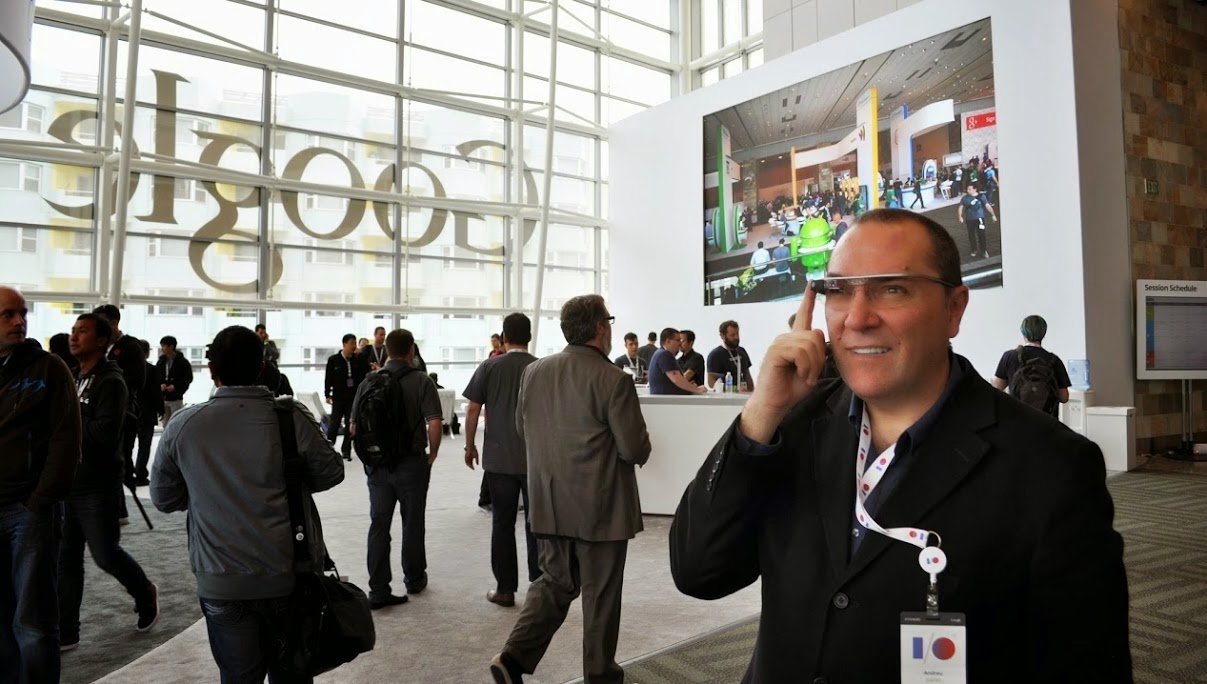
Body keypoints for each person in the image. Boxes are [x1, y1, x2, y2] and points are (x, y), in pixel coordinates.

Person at [669, 209, 1131, 682]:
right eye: (840, 290)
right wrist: (760, 414)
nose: (857, 318)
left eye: (892, 289)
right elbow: (699, 571)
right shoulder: (794, 427)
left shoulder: (1051, 466)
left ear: (954, 309)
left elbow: (1087, 666)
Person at [151, 325, 345, 682]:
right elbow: (332, 473)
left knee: (239, 676)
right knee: (293, 673)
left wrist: (204, 489)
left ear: (212, 370)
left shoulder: (184, 425)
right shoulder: (290, 417)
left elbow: (163, 498)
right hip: (288, 572)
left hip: (222, 579)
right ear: (262, 367)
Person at [489, 295, 651, 684]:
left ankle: (512, 658)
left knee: (554, 583)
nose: (611, 329)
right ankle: (599, 674)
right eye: (608, 322)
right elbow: (633, 448)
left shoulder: (535, 372)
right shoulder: (614, 380)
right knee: (601, 593)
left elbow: (521, 429)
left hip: (548, 501)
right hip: (602, 507)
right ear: (599, 328)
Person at [60, 313, 160, 651]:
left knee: (105, 554)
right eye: (73, 331)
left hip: (97, 484)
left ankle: (144, 591)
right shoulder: (74, 377)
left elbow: (105, 434)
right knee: (66, 556)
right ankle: (67, 629)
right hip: (69, 481)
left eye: (83, 331)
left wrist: (67, 425)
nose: (74, 337)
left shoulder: (110, 382)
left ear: (102, 340)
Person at [0, 287, 80, 681]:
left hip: (27, 511)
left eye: (22, 313)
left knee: (32, 622)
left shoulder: (48, 368)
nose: (18, 321)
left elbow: (67, 438)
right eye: (7, 315)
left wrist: (41, 500)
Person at [350, 329, 443, 607]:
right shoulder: (421, 380)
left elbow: (353, 426)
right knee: (412, 521)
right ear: (411, 350)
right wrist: (433, 453)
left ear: (387, 351)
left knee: (379, 524)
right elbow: (435, 422)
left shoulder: (369, 381)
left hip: (378, 466)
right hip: (411, 463)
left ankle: (378, 589)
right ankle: (414, 579)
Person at [462, 313, 542, 609]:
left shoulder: (490, 366)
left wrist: (469, 446)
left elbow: (472, 410)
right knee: (538, 523)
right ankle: (539, 588)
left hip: (498, 460)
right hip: (535, 460)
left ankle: (505, 590)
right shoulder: (540, 367)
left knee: (502, 523)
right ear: (529, 337)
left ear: (504, 337)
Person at [992, 315, 1072, 418]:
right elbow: (1064, 397)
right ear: (1043, 333)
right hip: (1047, 422)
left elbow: (997, 389)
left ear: (1023, 332)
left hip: (1018, 419)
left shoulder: (1009, 356)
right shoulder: (1054, 360)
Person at [324, 333, 370, 460]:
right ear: (344, 344)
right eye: (352, 343)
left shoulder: (358, 359)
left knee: (350, 424)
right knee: (334, 424)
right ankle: (329, 449)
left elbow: (366, 372)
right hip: (338, 397)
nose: (354, 346)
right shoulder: (334, 360)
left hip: (353, 397)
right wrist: (327, 394)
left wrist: (362, 355)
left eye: (355, 343)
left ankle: (346, 450)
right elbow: (328, 378)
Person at [132, 339, 164, 486]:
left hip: (130, 410)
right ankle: (140, 474)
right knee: (144, 445)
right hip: (147, 411)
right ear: (146, 352)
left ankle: (127, 472)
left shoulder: (125, 369)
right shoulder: (151, 369)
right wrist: (160, 409)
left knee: (127, 443)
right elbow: (156, 392)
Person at [648, 328, 707, 396]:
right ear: (668, 341)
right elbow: (677, 379)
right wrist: (697, 389)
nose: (680, 343)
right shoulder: (664, 355)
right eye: (678, 340)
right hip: (668, 401)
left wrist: (689, 386)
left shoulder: (660, 353)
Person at [706, 320, 755, 392]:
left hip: (744, 395)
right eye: (732, 335)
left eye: (737, 334)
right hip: (725, 398)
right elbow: (711, 382)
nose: (736, 337)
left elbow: (747, 375)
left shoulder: (742, 351)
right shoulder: (715, 355)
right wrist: (734, 389)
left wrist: (751, 391)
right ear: (722, 336)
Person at [156, 335, 193, 426]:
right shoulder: (161, 361)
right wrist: (160, 385)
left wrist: (176, 386)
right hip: (163, 397)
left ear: (171, 346)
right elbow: (156, 376)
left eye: (164, 346)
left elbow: (188, 378)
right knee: (165, 424)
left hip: (176, 398)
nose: (162, 349)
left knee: (177, 423)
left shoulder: (183, 362)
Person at [957, 184, 998, 259]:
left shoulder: (981, 197)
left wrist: (993, 215)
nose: (967, 190)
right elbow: (960, 207)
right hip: (969, 220)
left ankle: (984, 250)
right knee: (971, 235)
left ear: (975, 189)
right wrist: (960, 216)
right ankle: (974, 249)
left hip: (979, 219)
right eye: (967, 189)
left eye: (969, 189)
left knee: (981, 234)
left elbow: (987, 206)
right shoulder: (965, 198)